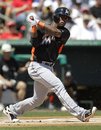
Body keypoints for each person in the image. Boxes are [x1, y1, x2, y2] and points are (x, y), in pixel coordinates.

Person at [3, 7, 97, 122]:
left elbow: (55, 32)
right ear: (55, 16)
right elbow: (34, 42)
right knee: (58, 85)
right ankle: (81, 114)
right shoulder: (42, 29)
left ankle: (12, 110)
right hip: (37, 65)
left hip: (47, 67)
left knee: (37, 100)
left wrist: (37, 22)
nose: (63, 19)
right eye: (61, 16)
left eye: (66, 18)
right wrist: (33, 26)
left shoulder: (65, 32)